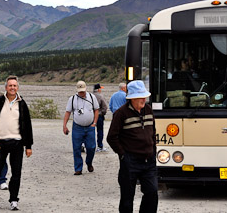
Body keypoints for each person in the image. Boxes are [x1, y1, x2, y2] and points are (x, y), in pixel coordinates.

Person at [0, 75, 33, 211]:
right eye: (10, 85)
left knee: (16, 174)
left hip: (17, 142)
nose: (12, 88)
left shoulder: (22, 103)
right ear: (5, 87)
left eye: (15, 86)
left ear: (18, 87)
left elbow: (27, 125)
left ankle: (14, 200)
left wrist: (28, 146)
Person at [107, 80, 158, 213]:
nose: (144, 99)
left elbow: (153, 132)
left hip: (149, 161)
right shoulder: (121, 113)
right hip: (130, 161)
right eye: (140, 97)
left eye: (144, 96)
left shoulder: (148, 110)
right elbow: (111, 137)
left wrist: (153, 150)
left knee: (152, 193)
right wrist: (123, 155)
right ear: (132, 98)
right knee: (127, 198)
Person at [63, 80, 99, 175]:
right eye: (80, 91)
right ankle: (78, 168)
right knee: (77, 148)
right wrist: (64, 125)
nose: (81, 92)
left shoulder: (92, 97)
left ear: (86, 89)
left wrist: (94, 123)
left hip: (90, 126)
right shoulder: (72, 99)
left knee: (91, 147)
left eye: (83, 91)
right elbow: (68, 112)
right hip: (77, 127)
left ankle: (89, 162)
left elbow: (96, 110)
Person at [93, 83, 108, 152]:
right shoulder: (101, 96)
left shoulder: (89, 96)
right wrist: (102, 113)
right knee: (100, 131)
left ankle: (88, 145)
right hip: (99, 116)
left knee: (90, 131)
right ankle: (100, 146)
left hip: (90, 116)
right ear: (98, 89)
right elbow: (105, 107)